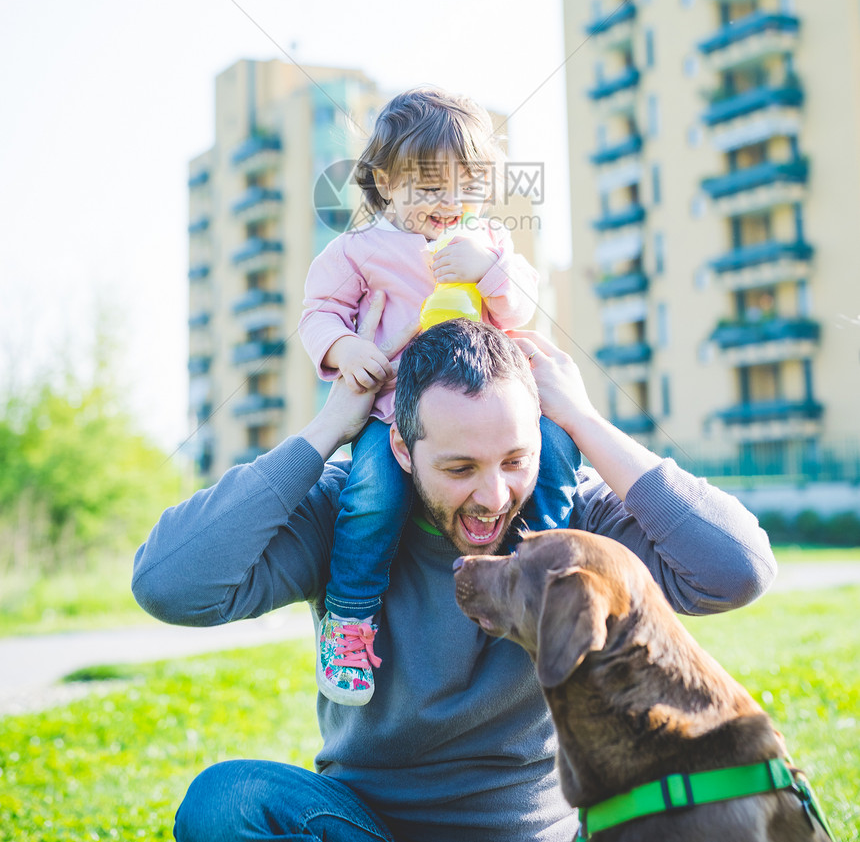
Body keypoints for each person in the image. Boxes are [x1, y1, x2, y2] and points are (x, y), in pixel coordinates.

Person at [132, 308, 777, 842]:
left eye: (515, 459)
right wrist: (329, 427)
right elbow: (168, 583)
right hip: (365, 825)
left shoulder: (568, 525)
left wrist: (584, 419)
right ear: (403, 451)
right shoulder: (348, 516)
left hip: (534, 832)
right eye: (461, 468)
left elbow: (737, 570)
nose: (495, 496)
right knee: (227, 802)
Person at [298, 87, 580, 705]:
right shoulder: (358, 251)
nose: (449, 202)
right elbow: (319, 314)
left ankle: (544, 577)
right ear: (382, 182)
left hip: (496, 414)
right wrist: (345, 350)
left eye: (467, 184)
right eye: (428, 186)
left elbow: (522, 305)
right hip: (395, 413)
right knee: (372, 492)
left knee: (557, 452)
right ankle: (349, 620)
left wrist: (488, 269)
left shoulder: (488, 243)